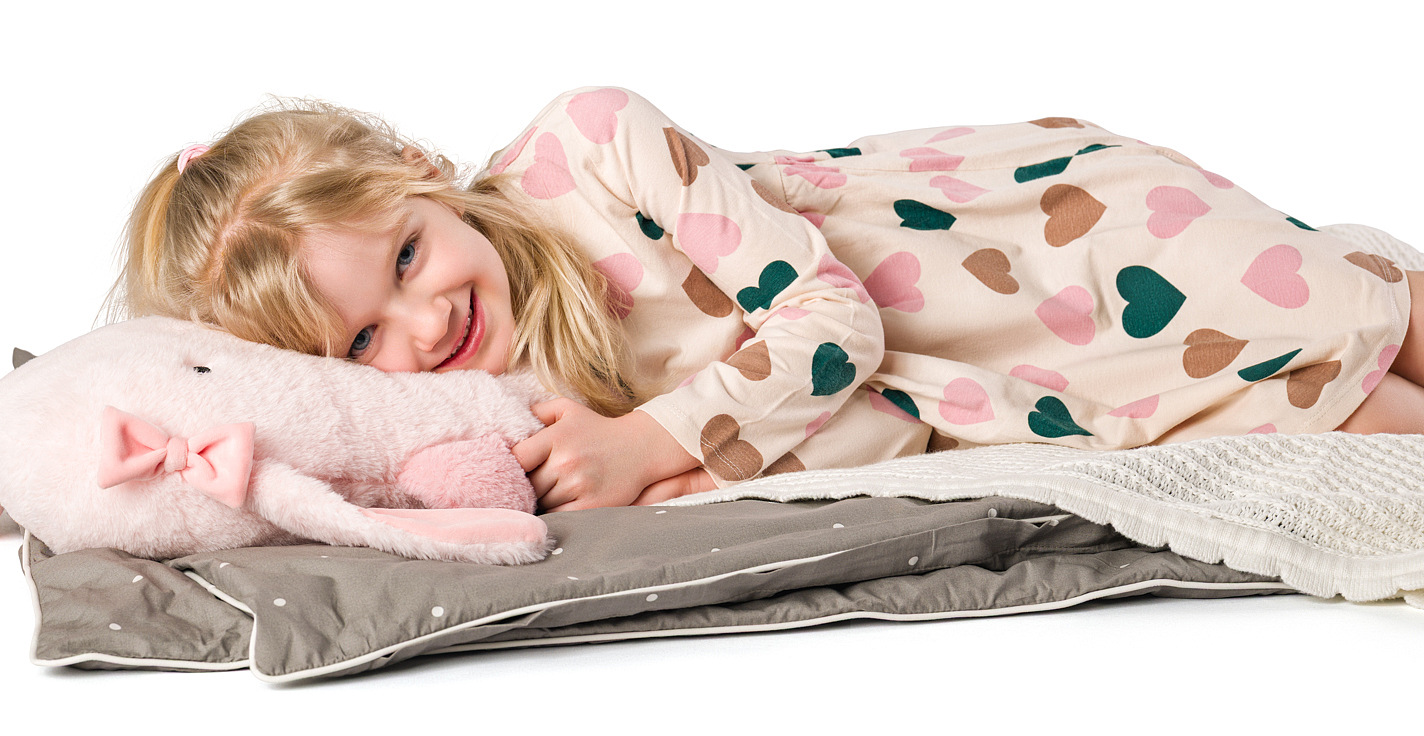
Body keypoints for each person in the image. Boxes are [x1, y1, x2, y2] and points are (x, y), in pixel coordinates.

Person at [112, 86, 1422, 513]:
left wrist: (656, 441)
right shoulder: (512, 408)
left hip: (1045, 235)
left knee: (1357, 311)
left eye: (406, 258)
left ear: (416, 170)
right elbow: (865, 429)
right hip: (1005, 387)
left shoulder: (590, 145)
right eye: (359, 340)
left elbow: (833, 327)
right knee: (1357, 433)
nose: (424, 323)